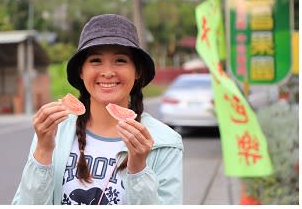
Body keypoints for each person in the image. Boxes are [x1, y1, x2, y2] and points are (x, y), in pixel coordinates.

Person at [13, 14, 183, 205]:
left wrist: (139, 169)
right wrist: (43, 150)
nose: (108, 72)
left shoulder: (165, 142)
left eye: (120, 60)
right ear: (81, 71)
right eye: (95, 60)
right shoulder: (53, 132)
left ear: (138, 71)